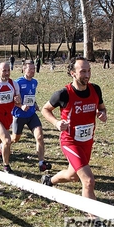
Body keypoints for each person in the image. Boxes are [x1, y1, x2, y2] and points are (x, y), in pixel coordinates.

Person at [41, 57, 107, 202]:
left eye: (89, 70)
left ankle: (49, 181)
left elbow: (101, 108)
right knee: (88, 181)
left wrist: (102, 114)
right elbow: (45, 109)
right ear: (73, 73)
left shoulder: (95, 89)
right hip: (70, 142)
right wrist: (57, 123)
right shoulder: (63, 94)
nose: (87, 75)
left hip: (87, 142)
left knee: (73, 176)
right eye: (83, 71)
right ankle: (93, 220)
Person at [10, 60, 52, 171]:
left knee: (39, 137)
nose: (33, 71)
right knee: (15, 139)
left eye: (34, 68)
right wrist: (21, 106)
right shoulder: (17, 82)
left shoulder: (34, 82)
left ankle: (41, 163)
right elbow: (11, 100)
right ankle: (3, 145)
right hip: (19, 115)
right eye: (30, 69)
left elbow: (31, 96)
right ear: (24, 69)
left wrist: (35, 104)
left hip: (31, 114)